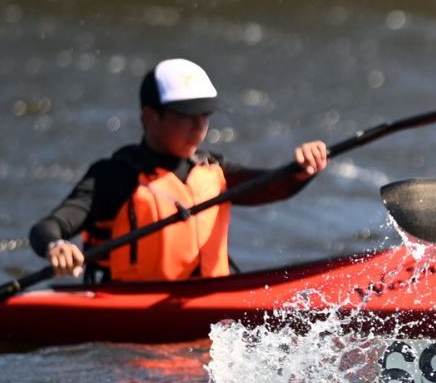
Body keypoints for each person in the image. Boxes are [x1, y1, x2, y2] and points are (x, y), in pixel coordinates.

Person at [29, 58, 330, 283]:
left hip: (208, 300)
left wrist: (304, 169)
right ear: (150, 116)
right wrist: (57, 246)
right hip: (130, 306)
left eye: (205, 116)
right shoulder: (115, 176)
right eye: (186, 116)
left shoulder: (213, 170)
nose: (199, 127)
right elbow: (47, 227)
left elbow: (272, 186)